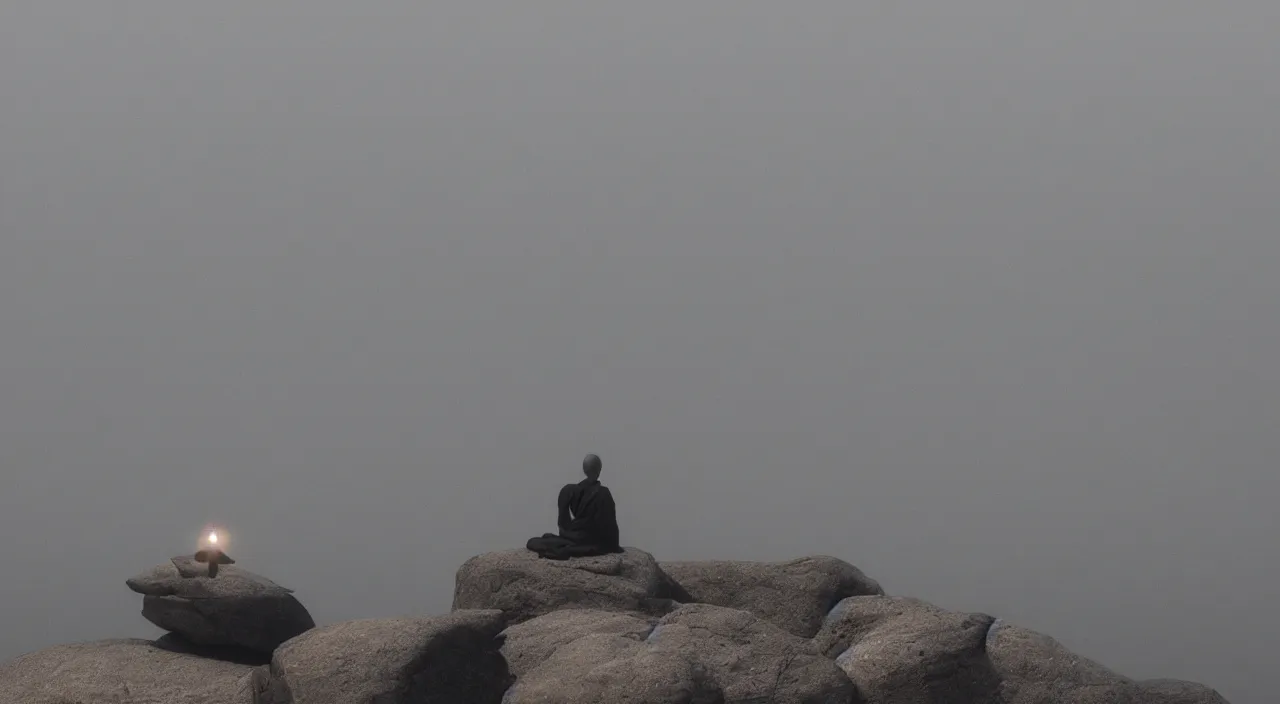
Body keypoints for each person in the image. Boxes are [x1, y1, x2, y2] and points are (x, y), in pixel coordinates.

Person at [526, 454, 623, 560]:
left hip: (572, 537)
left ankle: (559, 549)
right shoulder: (603, 493)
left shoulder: (568, 490)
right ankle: (563, 550)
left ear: (584, 469)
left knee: (536, 541)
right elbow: (611, 527)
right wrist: (615, 546)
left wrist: (568, 534)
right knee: (584, 547)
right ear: (600, 469)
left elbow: (562, 524)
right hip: (591, 541)